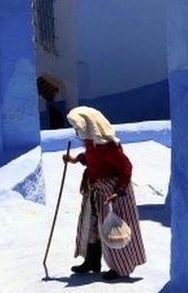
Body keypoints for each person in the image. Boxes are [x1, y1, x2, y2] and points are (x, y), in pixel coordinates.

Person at [63, 106, 146, 280]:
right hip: (96, 191)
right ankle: (92, 261)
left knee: (113, 229)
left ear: (88, 125)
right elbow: (92, 159)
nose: (76, 131)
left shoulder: (107, 146)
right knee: (92, 226)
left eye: (78, 127)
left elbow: (126, 167)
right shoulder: (93, 143)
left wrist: (119, 191)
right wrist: (75, 159)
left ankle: (120, 267)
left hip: (112, 194)